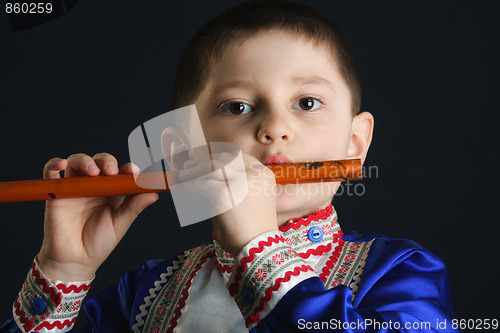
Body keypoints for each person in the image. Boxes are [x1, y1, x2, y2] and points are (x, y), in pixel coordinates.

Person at [1, 1, 458, 332]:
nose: (276, 127)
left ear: (356, 144)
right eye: (238, 107)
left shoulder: (400, 271)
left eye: (308, 102)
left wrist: (258, 250)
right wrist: (64, 268)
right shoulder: (145, 292)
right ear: (183, 152)